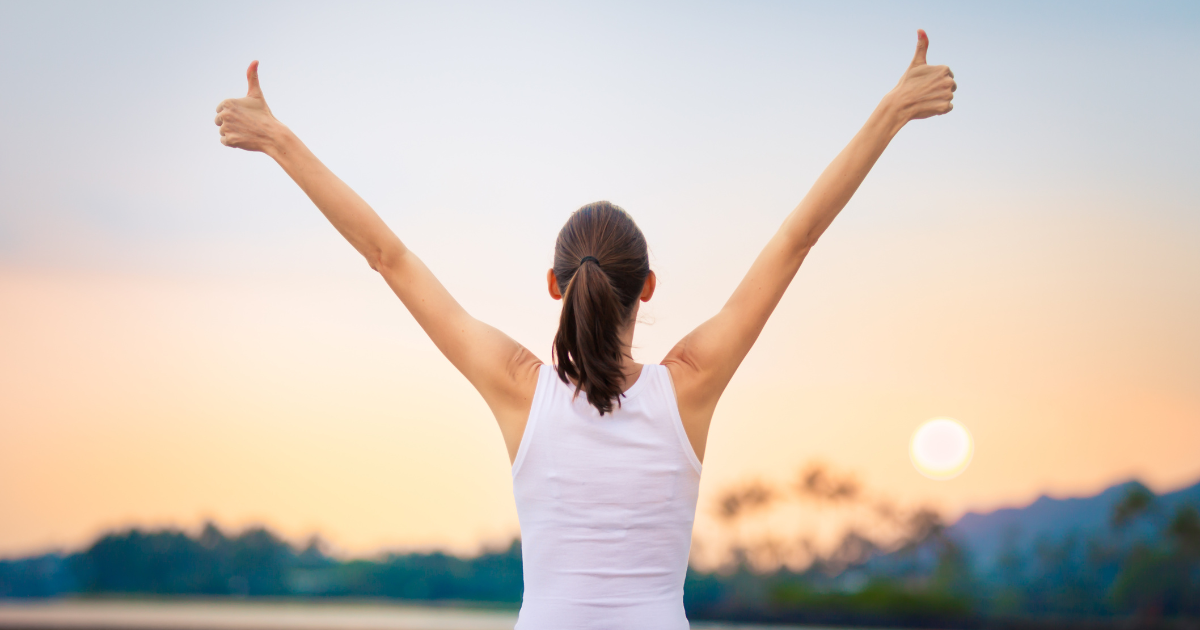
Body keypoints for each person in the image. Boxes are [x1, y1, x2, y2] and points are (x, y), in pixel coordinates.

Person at [215, 29, 954, 629]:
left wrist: (278, 141)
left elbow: (388, 256)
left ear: (554, 286)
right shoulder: (690, 387)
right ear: (648, 288)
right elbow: (797, 239)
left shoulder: (518, 388)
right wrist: (891, 112)